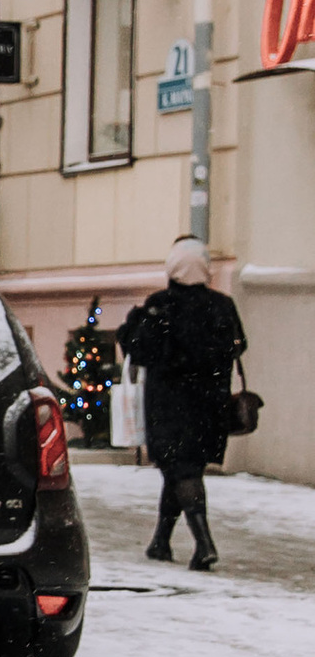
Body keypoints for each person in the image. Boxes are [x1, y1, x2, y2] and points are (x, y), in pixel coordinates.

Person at [119, 240, 246, 571]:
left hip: (170, 404)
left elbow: (140, 350)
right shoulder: (222, 305)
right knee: (181, 469)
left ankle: (204, 543)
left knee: (182, 469)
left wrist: (132, 325)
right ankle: (160, 542)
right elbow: (238, 345)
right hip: (209, 404)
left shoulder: (162, 305)